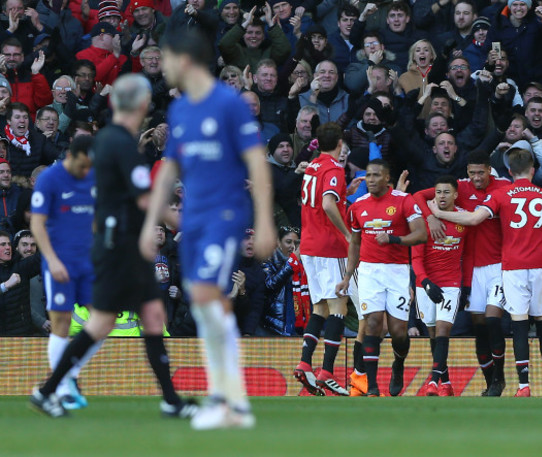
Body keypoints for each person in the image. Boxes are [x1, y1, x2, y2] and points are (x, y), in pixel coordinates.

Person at [30, 74, 196, 420]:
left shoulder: (110, 142)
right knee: (102, 323)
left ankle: (170, 400)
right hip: (119, 246)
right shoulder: (119, 143)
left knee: (149, 317)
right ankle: (47, 390)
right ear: (142, 105)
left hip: (118, 245)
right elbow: (144, 198)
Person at [140, 30, 276, 429]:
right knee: (204, 304)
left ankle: (228, 400)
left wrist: (264, 221)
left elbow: (256, 163)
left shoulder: (228, 104)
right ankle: (232, 402)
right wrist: (151, 221)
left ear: (183, 60)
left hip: (225, 218)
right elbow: (169, 171)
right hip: (194, 221)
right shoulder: (180, 111)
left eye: (165, 58)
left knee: (206, 296)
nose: (162, 67)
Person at [431, 147, 542, 397]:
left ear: (509, 171)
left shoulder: (502, 194)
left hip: (510, 267)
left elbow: (473, 219)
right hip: (536, 266)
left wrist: (437, 213)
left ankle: (523, 386)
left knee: (516, 324)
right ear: (533, 170)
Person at [414, 151, 512, 396]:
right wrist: (431, 218)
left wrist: (438, 214)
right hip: (472, 269)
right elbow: (417, 197)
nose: (477, 178)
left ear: (490, 170)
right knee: (478, 326)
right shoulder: (459, 187)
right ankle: (491, 382)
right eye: (472, 173)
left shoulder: (504, 188)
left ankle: (500, 376)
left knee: (492, 320)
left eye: (481, 172)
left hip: (498, 265)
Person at [336, 159, 427, 397]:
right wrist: (347, 277)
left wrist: (395, 239)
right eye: (368, 176)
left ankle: (398, 364)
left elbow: (421, 234)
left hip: (397, 271)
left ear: (387, 178)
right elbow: (354, 243)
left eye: (376, 176)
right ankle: (373, 386)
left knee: (398, 332)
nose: (371, 180)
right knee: (373, 324)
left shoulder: (403, 200)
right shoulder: (358, 206)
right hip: (369, 272)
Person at [30, 135, 100, 410]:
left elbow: (94, 219)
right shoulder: (50, 179)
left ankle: (68, 375)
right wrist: (52, 260)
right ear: (71, 156)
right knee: (61, 323)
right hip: (59, 263)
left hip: (88, 263)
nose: (86, 172)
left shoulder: (92, 176)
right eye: (82, 166)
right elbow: (37, 224)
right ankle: (62, 386)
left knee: (103, 320)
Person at [293, 122, 351, 397]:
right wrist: (347, 235)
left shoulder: (312, 166)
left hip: (309, 245)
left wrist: (346, 194)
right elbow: (327, 203)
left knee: (320, 308)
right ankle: (326, 371)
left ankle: (305, 363)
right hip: (329, 247)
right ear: (339, 143)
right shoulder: (334, 169)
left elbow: (319, 200)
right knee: (339, 307)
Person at [412, 176, 469, 397]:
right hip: (425, 283)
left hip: (451, 283)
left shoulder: (463, 219)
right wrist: (426, 283)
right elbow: (415, 259)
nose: (442, 196)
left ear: (455, 194)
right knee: (433, 333)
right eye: (438, 192)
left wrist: (468, 285)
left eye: (446, 192)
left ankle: (433, 381)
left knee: (444, 329)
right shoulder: (423, 222)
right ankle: (445, 382)